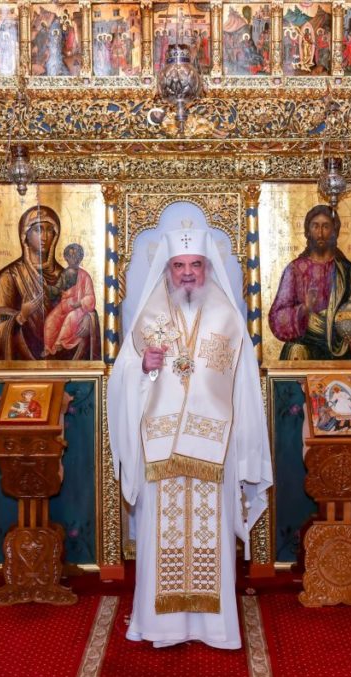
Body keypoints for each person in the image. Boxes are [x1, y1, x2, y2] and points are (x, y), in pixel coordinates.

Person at [107, 219, 272, 650]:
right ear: (167, 268)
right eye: (179, 265)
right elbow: (122, 375)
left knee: (211, 538)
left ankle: (213, 628)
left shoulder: (227, 319)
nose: (186, 273)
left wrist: (246, 449)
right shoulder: (149, 316)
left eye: (194, 265)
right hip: (160, 445)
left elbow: (246, 388)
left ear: (207, 268)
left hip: (215, 447)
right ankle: (160, 626)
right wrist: (142, 368)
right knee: (159, 537)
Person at [0, 205, 100, 361]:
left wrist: (89, 319)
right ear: (25, 235)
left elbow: (84, 301)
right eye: (38, 230)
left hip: (64, 360)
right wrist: (21, 316)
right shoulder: (10, 276)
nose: (44, 237)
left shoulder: (67, 274)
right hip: (23, 365)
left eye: (49, 230)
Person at [268, 205, 351, 360]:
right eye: (315, 226)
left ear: (334, 231)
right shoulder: (295, 270)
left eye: (326, 226)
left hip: (341, 346)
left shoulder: (347, 271)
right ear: (307, 231)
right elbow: (277, 317)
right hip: (306, 343)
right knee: (296, 351)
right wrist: (304, 309)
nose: (320, 233)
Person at [43, 243, 97, 356]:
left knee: (70, 318)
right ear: (66, 258)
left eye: (77, 256)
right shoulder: (65, 274)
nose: (74, 259)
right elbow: (57, 290)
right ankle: (48, 347)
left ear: (80, 258)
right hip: (64, 306)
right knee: (50, 320)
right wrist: (46, 288)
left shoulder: (85, 276)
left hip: (79, 309)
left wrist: (79, 303)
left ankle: (59, 343)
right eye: (71, 256)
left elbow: (91, 297)